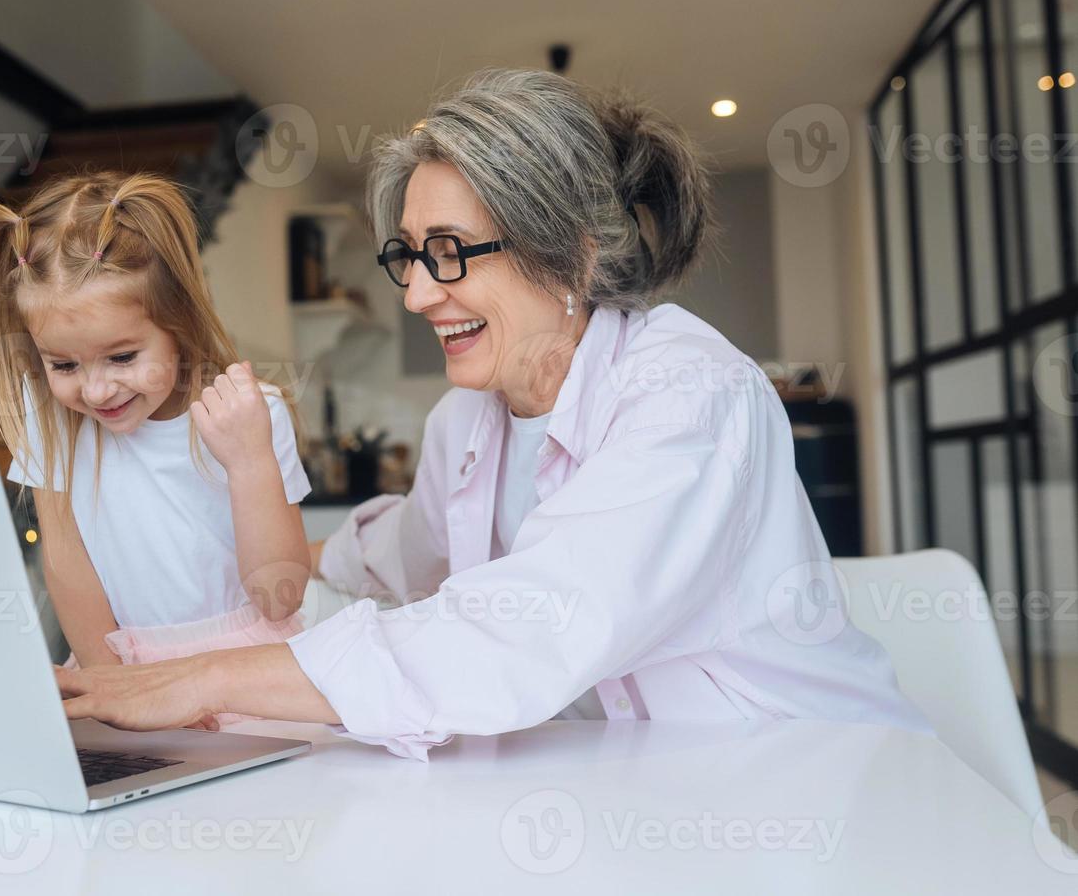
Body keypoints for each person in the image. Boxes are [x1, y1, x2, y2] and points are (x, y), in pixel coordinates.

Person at [54, 69, 929, 757]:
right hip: (631, 781)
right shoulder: (466, 423)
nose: (418, 295)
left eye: (452, 253)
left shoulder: (689, 395)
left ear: (572, 259)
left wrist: (205, 680)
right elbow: (407, 550)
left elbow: (525, 626)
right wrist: (256, 541)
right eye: (409, 256)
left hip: (806, 778)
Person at [0, 172, 312, 725]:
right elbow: (66, 563)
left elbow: (279, 598)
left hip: (243, 672)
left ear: (178, 325)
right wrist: (118, 685)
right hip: (117, 668)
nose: (97, 390)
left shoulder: (250, 413)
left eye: (123, 357)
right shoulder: (52, 418)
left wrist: (250, 461)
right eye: (64, 365)